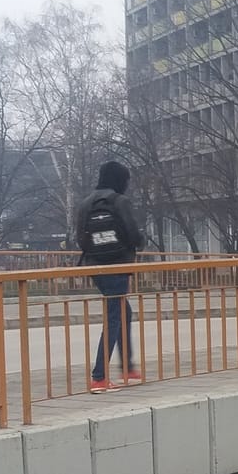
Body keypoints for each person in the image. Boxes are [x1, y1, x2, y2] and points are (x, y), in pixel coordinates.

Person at [74, 160, 146, 393]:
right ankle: (99, 376)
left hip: (96, 268)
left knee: (123, 311)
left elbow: (80, 239)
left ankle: (127, 367)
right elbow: (133, 235)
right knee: (114, 315)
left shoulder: (85, 203)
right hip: (118, 265)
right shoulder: (120, 201)